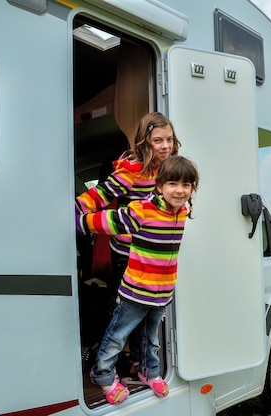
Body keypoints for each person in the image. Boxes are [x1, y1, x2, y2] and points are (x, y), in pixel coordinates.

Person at [76, 155, 200, 405]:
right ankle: (101, 374)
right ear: (160, 186)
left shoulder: (182, 211)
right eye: (173, 184)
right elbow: (109, 221)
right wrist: (81, 221)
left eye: (186, 185)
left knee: (150, 337)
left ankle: (149, 371)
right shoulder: (142, 210)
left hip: (162, 292)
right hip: (135, 290)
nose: (179, 190)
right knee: (118, 335)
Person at [76, 112, 182, 379]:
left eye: (169, 139)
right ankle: (102, 365)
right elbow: (103, 193)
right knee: (119, 308)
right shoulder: (133, 169)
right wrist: (74, 211)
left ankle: (137, 362)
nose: (165, 146)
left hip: (153, 254)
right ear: (145, 141)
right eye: (158, 140)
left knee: (148, 312)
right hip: (127, 253)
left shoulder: (169, 169)